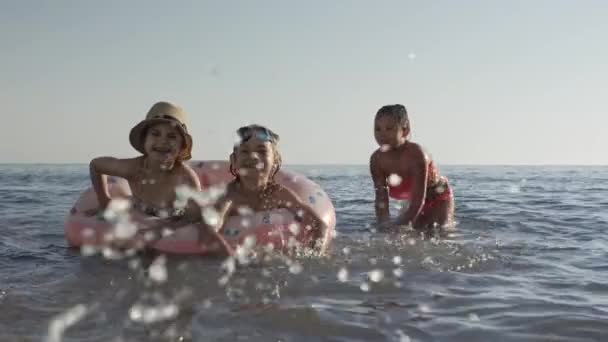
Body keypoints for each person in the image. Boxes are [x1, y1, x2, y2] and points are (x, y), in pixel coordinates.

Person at [369, 104, 454, 231]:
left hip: (438, 198)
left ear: (405, 129)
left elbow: (417, 203)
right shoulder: (377, 160)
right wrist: (384, 225)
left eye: (389, 129)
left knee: (437, 234)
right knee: (403, 235)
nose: (382, 134)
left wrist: (400, 225)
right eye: (378, 129)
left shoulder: (416, 155)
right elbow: (381, 200)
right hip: (411, 202)